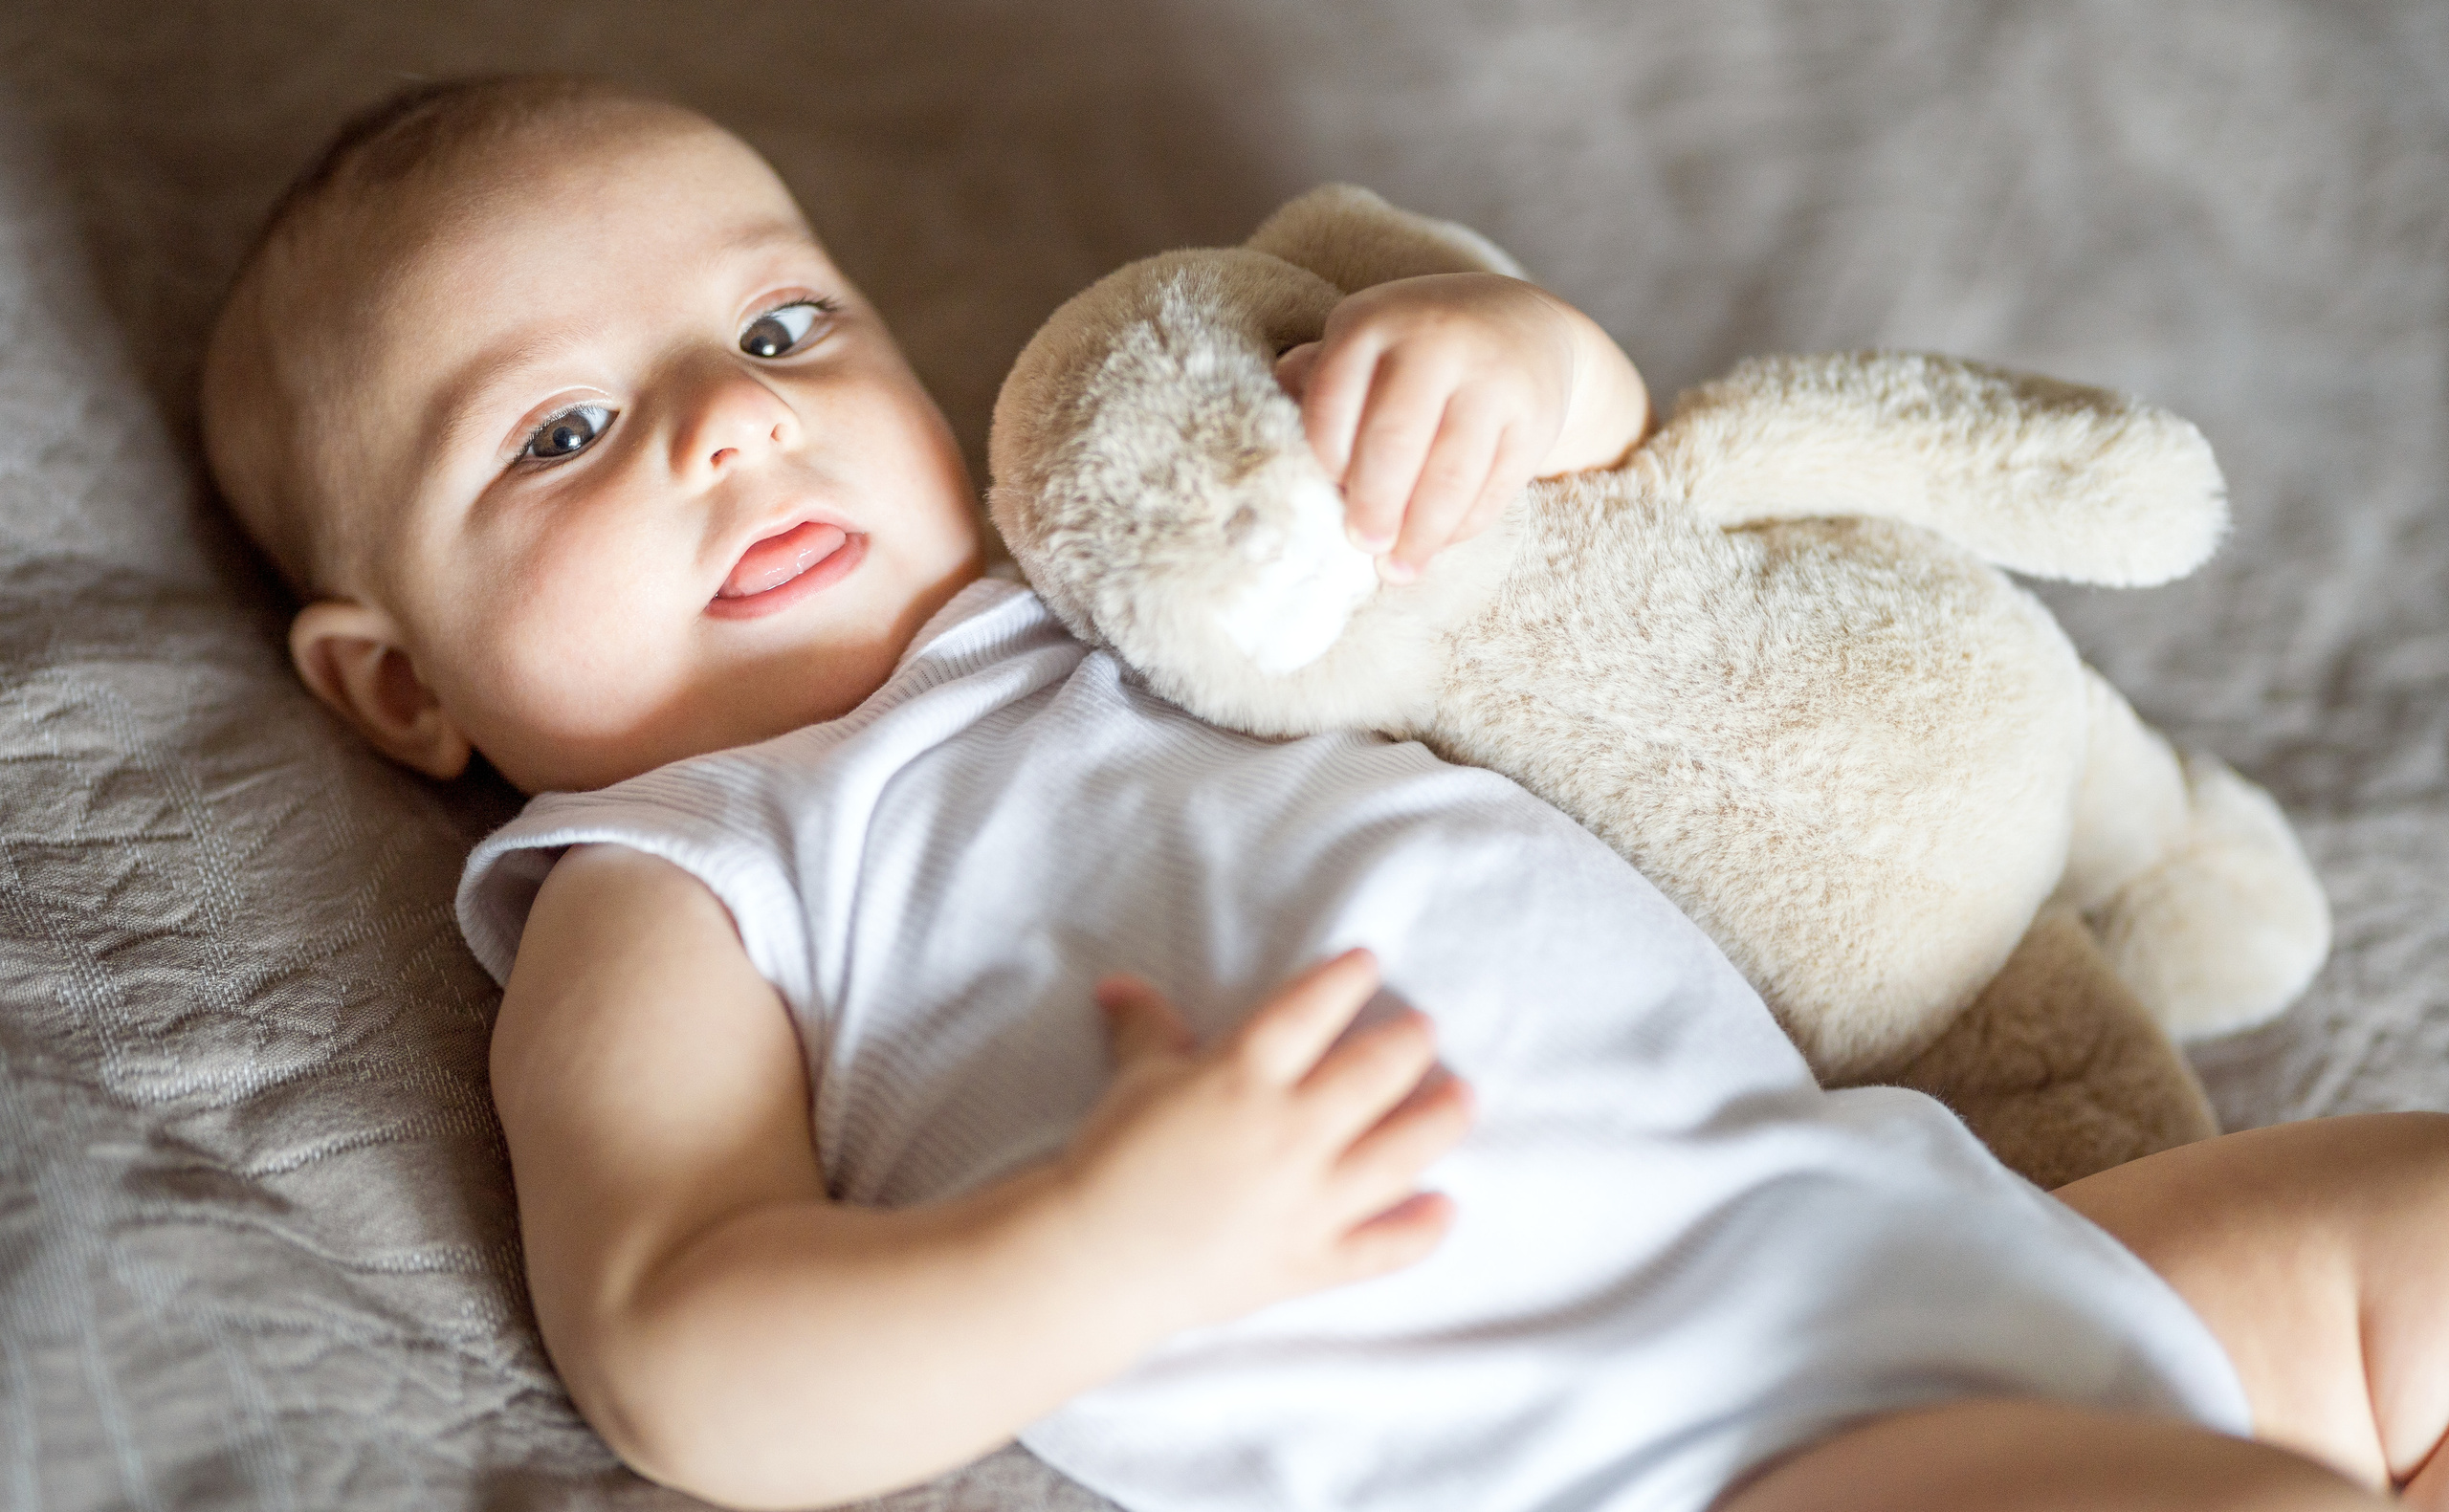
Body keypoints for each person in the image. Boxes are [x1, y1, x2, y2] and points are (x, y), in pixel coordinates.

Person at [199, 74, 2449, 1512]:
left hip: (1915, 1218)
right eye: (560, 433)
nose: (728, 420)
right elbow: (687, 1354)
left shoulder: (1121, 561)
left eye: (781, 329)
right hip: (1700, 1448)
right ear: (399, 687)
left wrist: (1498, 365)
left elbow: (1579, 517)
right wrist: (1089, 1250)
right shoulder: (683, 882)